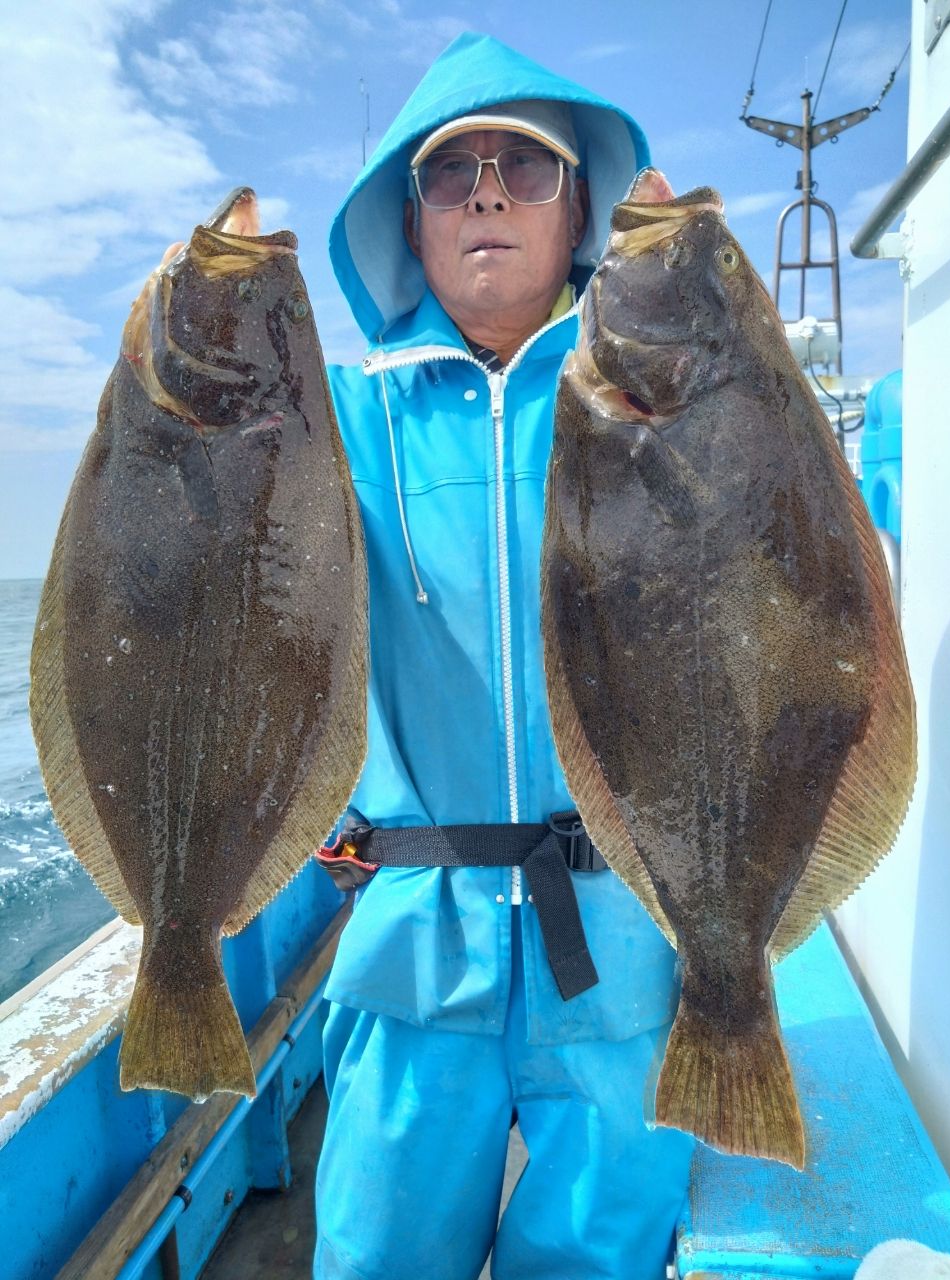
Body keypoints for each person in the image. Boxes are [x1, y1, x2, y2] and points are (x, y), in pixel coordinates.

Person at [313, 32, 695, 1280]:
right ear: (407, 222)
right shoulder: (337, 416)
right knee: (374, 1254)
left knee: (600, 1257)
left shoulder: (651, 392)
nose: (486, 192)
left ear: (579, 208)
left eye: (527, 169)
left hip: (621, 942)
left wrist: (692, 286)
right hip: (418, 935)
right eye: (450, 173)